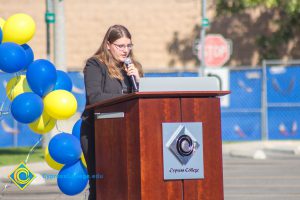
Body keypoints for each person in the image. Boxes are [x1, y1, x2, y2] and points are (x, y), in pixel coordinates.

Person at [80, 24, 143, 200]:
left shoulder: (133, 67)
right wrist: (125, 96)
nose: (125, 51)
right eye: (120, 46)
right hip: (98, 132)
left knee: (125, 184)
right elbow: (95, 97)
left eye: (129, 46)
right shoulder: (95, 64)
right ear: (108, 45)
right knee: (101, 187)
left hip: (126, 133)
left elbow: (142, 100)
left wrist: (139, 81)